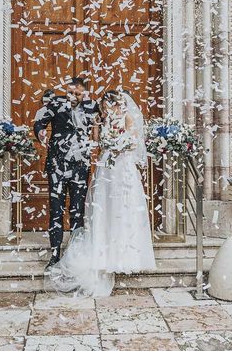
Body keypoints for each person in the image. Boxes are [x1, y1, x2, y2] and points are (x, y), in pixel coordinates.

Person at [47, 89, 156, 297]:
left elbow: (135, 141)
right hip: (106, 167)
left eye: (107, 106)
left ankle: (125, 254)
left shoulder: (127, 117)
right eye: (103, 107)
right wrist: (98, 127)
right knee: (104, 207)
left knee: (123, 208)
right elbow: (97, 143)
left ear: (116, 103)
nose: (105, 110)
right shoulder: (102, 120)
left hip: (123, 168)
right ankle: (104, 250)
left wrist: (121, 145)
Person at [33, 77, 99, 267]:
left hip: (80, 167)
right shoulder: (54, 104)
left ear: (84, 93)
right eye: (71, 93)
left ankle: (75, 254)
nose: (74, 96)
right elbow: (39, 123)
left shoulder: (92, 107)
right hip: (57, 166)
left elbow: (111, 113)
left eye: (78, 94)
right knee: (56, 210)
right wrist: (41, 133)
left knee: (77, 211)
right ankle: (54, 254)